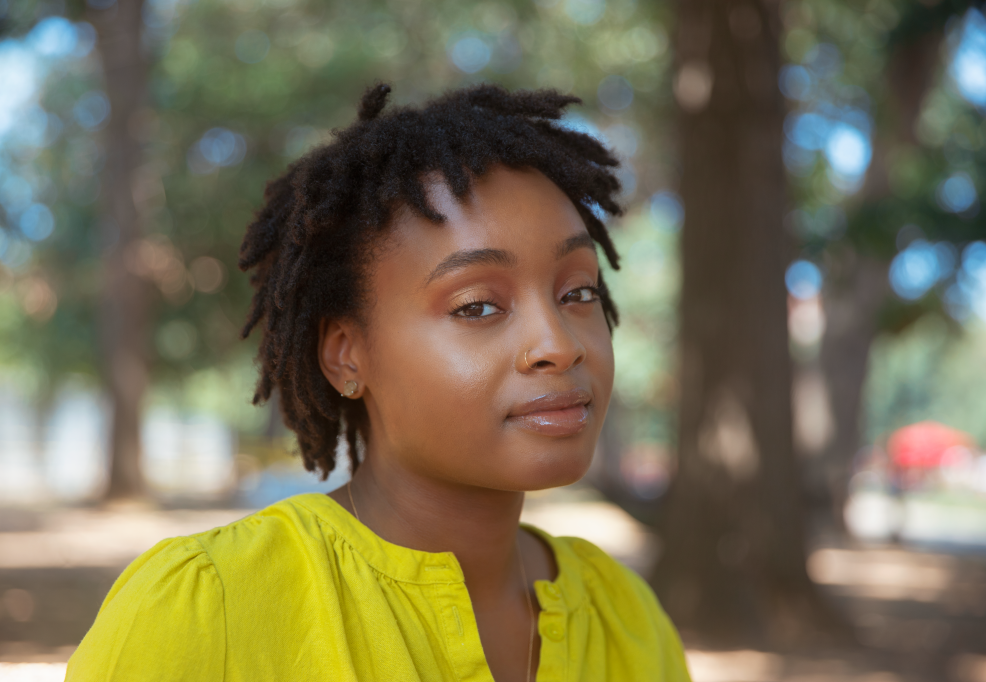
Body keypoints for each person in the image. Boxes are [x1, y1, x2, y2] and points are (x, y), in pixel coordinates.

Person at [65, 83, 692, 682]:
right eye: (477, 306)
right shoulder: (208, 610)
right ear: (346, 357)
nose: (559, 344)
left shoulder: (624, 618)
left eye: (577, 292)